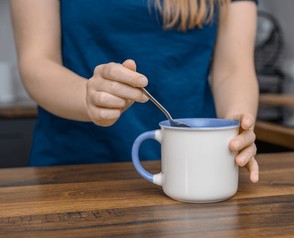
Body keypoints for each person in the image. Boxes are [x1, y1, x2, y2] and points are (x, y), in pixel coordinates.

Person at [10, 0, 260, 183]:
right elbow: (37, 61)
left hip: (196, 173)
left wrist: (237, 121)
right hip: (74, 175)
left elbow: (233, 68)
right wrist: (87, 96)